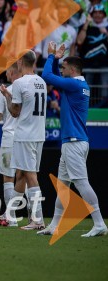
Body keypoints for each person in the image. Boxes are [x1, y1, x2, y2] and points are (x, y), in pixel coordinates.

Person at [38, 43, 107, 238]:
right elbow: (54, 77)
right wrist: (58, 58)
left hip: (74, 142)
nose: (62, 70)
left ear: (73, 69)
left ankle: (99, 223)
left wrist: (51, 56)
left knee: (82, 184)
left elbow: (47, 77)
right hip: (74, 141)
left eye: (64, 67)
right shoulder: (79, 85)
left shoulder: (75, 84)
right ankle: (54, 226)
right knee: (63, 185)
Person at [0, 51, 48, 231]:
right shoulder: (41, 81)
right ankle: (9, 213)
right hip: (39, 134)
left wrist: (6, 96)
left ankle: (38, 219)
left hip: (25, 135)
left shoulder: (19, 83)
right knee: (21, 175)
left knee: (30, 176)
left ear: (20, 62)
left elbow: (14, 112)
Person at [0, 65, 20, 228]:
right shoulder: (28, 89)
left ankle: (11, 216)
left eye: (7, 72)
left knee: (8, 176)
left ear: (12, 72)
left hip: (9, 137)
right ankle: (33, 217)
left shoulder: (6, 91)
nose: (6, 74)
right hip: (25, 137)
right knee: (24, 176)